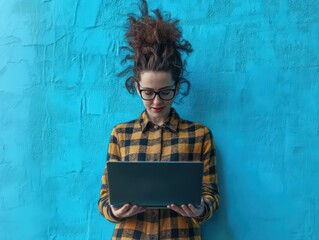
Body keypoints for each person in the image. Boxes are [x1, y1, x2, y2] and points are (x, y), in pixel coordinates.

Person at [98, 1, 219, 239]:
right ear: (136, 87)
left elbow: (211, 194)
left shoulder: (200, 135)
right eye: (148, 92)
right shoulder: (120, 134)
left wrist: (201, 208)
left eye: (165, 91)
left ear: (178, 86)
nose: (156, 101)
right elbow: (104, 198)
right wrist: (114, 210)